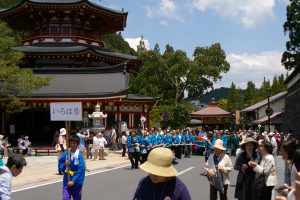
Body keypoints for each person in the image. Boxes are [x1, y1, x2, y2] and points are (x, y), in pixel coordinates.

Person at [58, 135, 85, 200]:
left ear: (77, 144)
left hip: (76, 181)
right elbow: (60, 163)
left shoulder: (79, 156)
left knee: (77, 198)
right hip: (67, 179)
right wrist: (64, 164)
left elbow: (81, 170)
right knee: (65, 198)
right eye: (71, 143)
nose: (72, 145)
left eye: (74, 143)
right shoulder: (66, 153)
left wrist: (73, 181)